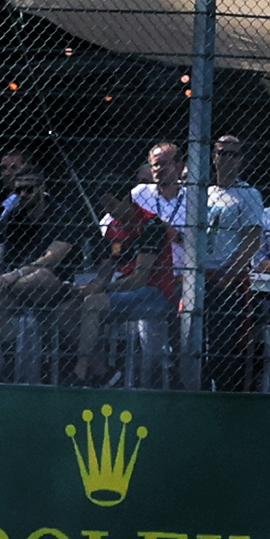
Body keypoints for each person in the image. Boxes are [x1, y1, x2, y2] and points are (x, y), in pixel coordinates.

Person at [0, 146, 87, 383]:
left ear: (43, 188)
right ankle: (11, 359)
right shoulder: (13, 217)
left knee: (41, 275)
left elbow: (53, 257)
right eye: (19, 190)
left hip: (56, 287)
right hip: (18, 285)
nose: (23, 195)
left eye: (29, 189)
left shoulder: (62, 215)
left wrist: (12, 276)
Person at [196, 137, 270, 390]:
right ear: (213, 157)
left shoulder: (248, 194)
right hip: (198, 277)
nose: (227, 158)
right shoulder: (204, 193)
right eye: (222, 153)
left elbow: (252, 239)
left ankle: (224, 393)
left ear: (242, 159)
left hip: (225, 279)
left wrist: (229, 276)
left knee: (222, 345)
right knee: (195, 341)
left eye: (233, 154)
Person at [95, 162, 182, 388]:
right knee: (83, 303)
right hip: (124, 287)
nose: (111, 211)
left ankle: (94, 371)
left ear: (125, 199)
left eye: (113, 205)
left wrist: (104, 289)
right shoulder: (114, 226)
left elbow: (140, 278)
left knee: (94, 303)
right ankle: (98, 368)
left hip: (154, 291)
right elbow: (111, 262)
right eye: (106, 207)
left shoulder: (150, 223)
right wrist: (99, 284)